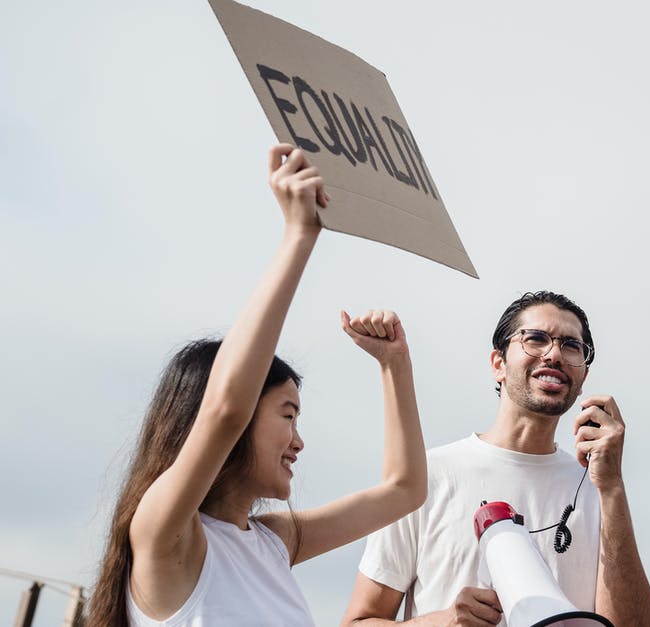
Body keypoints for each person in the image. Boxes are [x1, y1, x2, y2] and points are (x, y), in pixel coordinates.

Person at [88, 144, 429, 626]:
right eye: (287, 414)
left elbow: (405, 491)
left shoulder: (272, 543)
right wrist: (299, 235)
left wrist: (395, 364)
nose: (298, 440)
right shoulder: (165, 535)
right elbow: (224, 410)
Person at [342, 291, 650, 626]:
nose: (554, 354)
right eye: (535, 338)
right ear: (498, 364)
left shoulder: (599, 490)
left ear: (582, 380)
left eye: (571, 346)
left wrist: (612, 488)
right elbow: (358, 621)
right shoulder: (427, 476)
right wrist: (443, 622)